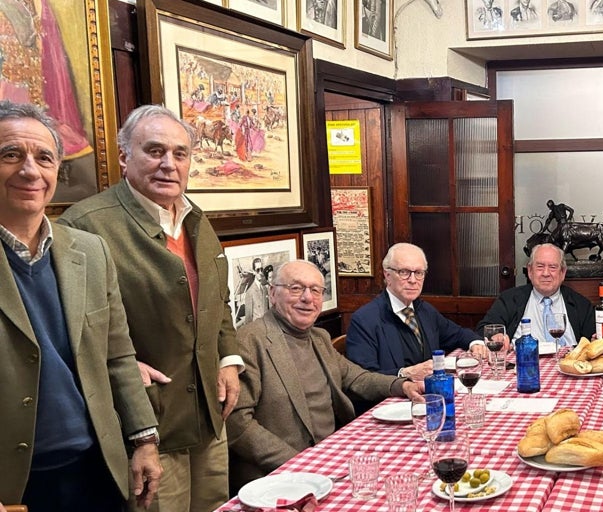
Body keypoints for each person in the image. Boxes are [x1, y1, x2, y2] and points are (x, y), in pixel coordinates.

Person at [59, 105, 241, 511]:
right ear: (124, 156)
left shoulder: (195, 218)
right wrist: (119, 362)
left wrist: (228, 359)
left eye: (180, 153)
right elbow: (69, 328)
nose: (168, 164)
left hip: (209, 414)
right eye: (154, 151)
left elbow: (217, 298)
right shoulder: (86, 225)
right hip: (147, 421)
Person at [0, 101, 161, 509]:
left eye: (44, 157)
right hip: (15, 482)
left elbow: (118, 355)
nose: (30, 170)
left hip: (98, 466)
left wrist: (144, 439)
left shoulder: (90, 251)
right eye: (10, 155)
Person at [227, 261, 424, 491]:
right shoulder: (250, 342)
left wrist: (402, 386)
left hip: (332, 459)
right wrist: (298, 463)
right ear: (272, 293)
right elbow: (237, 424)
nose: (307, 298)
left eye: (315, 290)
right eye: (296, 288)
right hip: (278, 477)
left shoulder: (318, 337)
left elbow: (355, 378)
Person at [347, 243, 489, 380]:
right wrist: (405, 374)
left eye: (419, 273)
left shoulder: (424, 310)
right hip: (390, 400)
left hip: (427, 394)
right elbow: (362, 379)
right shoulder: (365, 320)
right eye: (404, 272)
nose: (413, 280)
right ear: (387, 275)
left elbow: (457, 334)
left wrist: (475, 343)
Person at [477, 243, 603, 348]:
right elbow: (483, 330)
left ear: (562, 273)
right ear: (530, 271)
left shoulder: (580, 304)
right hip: (522, 366)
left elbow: (596, 339)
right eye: (540, 267)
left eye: (552, 267)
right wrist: (496, 336)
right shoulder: (509, 299)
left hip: (569, 369)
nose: (546, 273)